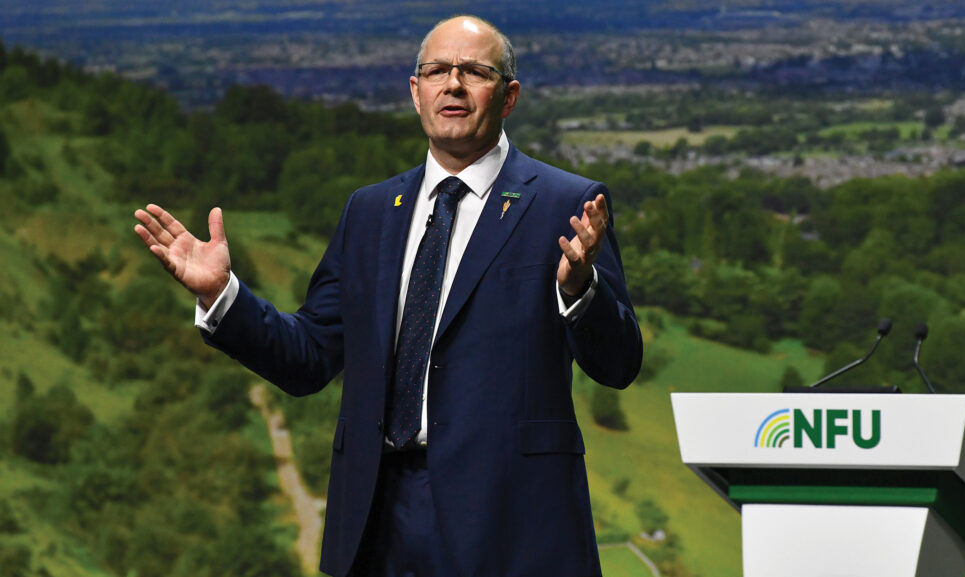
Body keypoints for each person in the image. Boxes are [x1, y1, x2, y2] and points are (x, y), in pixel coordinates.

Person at [134, 15, 642, 577]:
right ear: (414, 91)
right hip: (377, 520)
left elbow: (619, 364)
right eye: (436, 71)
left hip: (511, 525)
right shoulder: (370, 211)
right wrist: (223, 296)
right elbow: (309, 357)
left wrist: (579, 291)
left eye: (474, 71)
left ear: (509, 96)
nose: (453, 84)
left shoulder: (564, 204)